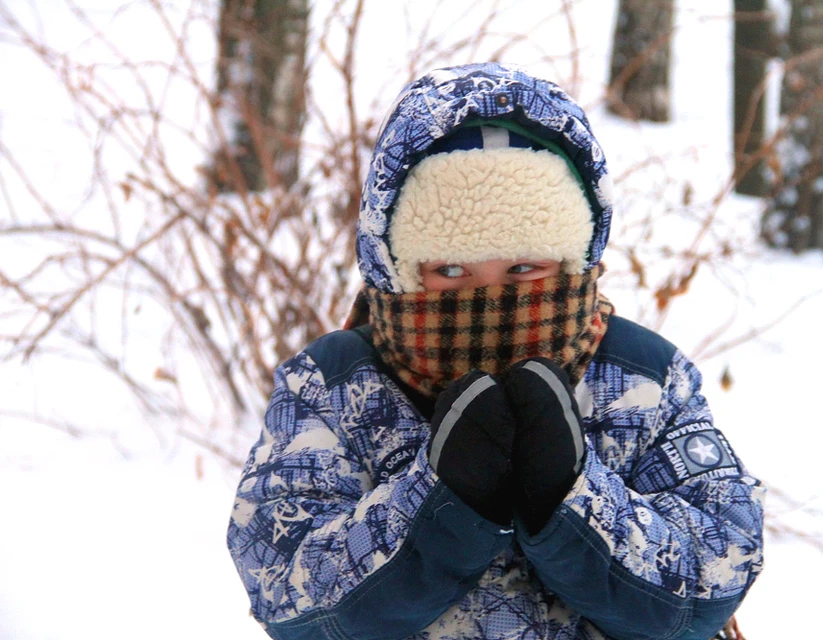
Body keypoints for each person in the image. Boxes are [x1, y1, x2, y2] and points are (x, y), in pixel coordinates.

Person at [227, 62, 765, 640]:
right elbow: (286, 591)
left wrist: (577, 499)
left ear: (573, 257)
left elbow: (716, 575)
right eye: (451, 269)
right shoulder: (334, 385)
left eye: (525, 267)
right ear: (398, 267)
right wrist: (434, 504)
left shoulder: (644, 380)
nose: (492, 296)